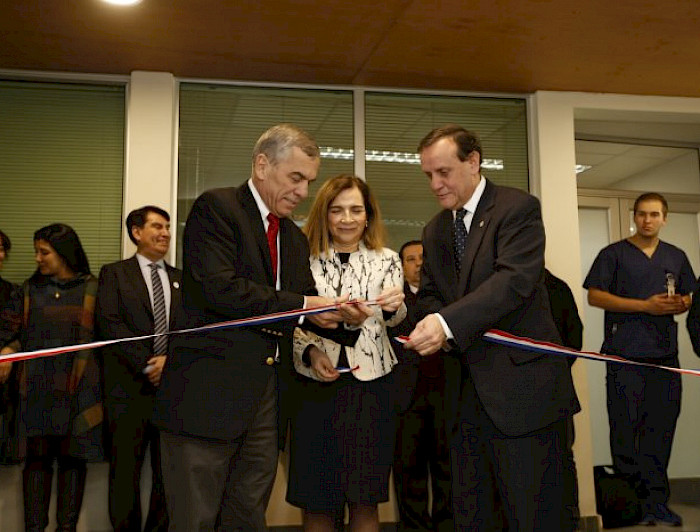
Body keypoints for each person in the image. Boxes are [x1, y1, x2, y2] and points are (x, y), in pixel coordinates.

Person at [154, 124, 364, 530]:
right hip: (207, 399)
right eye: (296, 178)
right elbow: (221, 290)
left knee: (248, 514)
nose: (304, 192)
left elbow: (303, 305)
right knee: (194, 517)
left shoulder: (293, 238)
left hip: (267, 400)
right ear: (263, 165)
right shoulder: (216, 208)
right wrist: (307, 306)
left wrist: (348, 316)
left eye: (309, 181)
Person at [404, 124, 580, 531]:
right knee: (475, 515)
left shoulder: (516, 209)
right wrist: (427, 317)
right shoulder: (435, 230)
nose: (435, 183)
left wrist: (447, 322)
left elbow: (512, 282)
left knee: (536, 515)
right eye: (428, 174)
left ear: (473, 162)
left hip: (525, 398)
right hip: (465, 401)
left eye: (443, 172)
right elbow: (430, 294)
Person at [287, 174, 406, 531]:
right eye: (337, 210)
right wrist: (309, 352)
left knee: (365, 498)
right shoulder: (303, 260)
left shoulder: (387, 259)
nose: (347, 219)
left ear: (368, 215)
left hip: (372, 389)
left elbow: (396, 316)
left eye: (356, 210)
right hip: (313, 390)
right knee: (317, 501)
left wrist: (390, 307)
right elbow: (291, 319)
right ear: (324, 215)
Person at [584, 192, 694, 527]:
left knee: (661, 430)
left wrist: (681, 304)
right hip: (625, 357)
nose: (648, 220)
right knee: (626, 430)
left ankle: (658, 501)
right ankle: (631, 504)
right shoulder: (613, 254)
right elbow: (594, 295)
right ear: (634, 216)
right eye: (642, 214)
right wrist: (644, 306)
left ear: (665, 218)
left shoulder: (675, 256)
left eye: (654, 214)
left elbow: (690, 295)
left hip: (664, 357)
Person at [0, 223, 103, 532]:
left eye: (44, 252)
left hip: (79, 393)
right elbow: (14, 332)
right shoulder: (28, 290)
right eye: (36, 252)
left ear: (65, 254)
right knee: (35, 467)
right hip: (35, 393)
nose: (38, 259)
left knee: (74, 465)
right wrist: (7, 348)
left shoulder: (94, 289)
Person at [96, 206, 181, 532]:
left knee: (167, 475)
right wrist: (150, 364)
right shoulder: (115, 274)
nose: (165, 233)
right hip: (128, 392)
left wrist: (169, 363)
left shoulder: (180, 279)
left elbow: (189, 329)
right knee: (124, 475)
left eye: (168, 227)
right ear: (136, 232)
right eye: (157, 226)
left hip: (171, 393)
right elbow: (110, 326)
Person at [391, 240, 453, 532]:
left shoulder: (446, 299)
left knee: (448, 472)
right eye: (410, 259)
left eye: (422, 258)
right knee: (408, 474)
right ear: (401, 267)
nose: (417, 263)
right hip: (405, 400)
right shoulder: (392, 302)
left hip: (446, 396)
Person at [544, 268, 583, 526]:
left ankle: (568, 521)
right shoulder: (495, 289)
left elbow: (574, 339)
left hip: (554, 391)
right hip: (510, 399)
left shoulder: (556, 288)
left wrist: (553, 372)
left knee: (561, 459)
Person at [0, 229, 20, 461]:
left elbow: (25, 333)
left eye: (3, 249)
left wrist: (10, 350)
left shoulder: (13, 292)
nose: (1, 255)